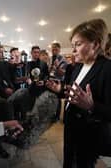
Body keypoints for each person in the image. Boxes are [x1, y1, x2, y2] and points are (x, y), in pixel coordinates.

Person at [46, 18, 111, 168]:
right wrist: (61, 90)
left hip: (89, 136)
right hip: (71, 128)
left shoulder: (107, 69)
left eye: (78, 44)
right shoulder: (77, 68)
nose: (73, 50)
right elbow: (73, 94)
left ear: (95, 44)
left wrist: (91, 106)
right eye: (73, 45)